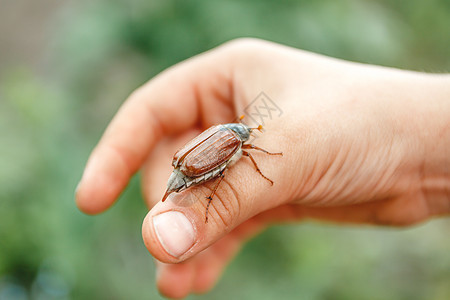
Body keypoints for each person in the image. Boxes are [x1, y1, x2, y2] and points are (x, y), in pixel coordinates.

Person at [75, 38, 450, 299]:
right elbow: (233, 159)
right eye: (250, 129)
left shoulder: (229, 131)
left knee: (225, 174)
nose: (252, 132)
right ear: (242, 131)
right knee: (223, 176)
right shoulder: (237, 140)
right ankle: (201, 203)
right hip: (193, 170)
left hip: (187, 163)